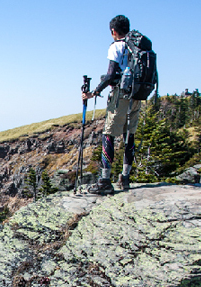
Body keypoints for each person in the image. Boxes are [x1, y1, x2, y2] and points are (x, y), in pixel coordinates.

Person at [82, 15, 141, 195]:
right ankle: (125, 178)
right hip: (136, 95)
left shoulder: (117, 46)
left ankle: (105, 180)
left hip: (120, 95)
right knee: (129, 134)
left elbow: (110, 74)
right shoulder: (137, 48)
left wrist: (94, 92)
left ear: (113, 31)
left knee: (109, 134)